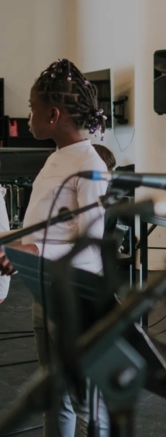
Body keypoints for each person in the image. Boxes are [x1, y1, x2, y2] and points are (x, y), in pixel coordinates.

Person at [0, 58, 110, 436]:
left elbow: (91, 237)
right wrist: (13, 244)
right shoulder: (56, 158)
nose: (28, 116)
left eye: (32, 109)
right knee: (54, 393)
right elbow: (45, 228)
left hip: (76, 296)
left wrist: (32, 252)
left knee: (86, 401)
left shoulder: (90, 164)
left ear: (54, 114)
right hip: (44, 290)